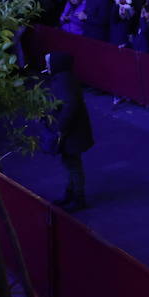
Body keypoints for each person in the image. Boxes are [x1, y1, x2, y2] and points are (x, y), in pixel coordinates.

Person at [47, 51, 93, 211]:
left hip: (71, 131)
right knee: (71, 163)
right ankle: (72, 193)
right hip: (73, 130)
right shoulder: (66, 79)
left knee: (73, 165)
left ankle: (78, 197)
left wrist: (61, 128)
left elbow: (69, 106)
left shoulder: (62, 81)